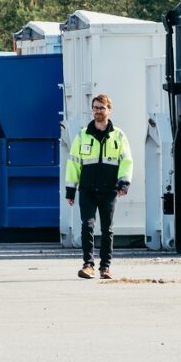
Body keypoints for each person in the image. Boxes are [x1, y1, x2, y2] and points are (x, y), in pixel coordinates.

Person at [65, 94, 132, 279]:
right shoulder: (82, 135)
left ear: (109, 110)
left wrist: (124, 183)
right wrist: (70, 190)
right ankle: (88, 265)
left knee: (107, 229)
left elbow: (126, 161)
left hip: (109, 190)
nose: (98, 111)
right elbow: (73, 163)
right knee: (87, 226)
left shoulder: (118, 135)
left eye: (102, 108)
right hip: (87, 189)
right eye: (95, 108)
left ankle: (105, 268)